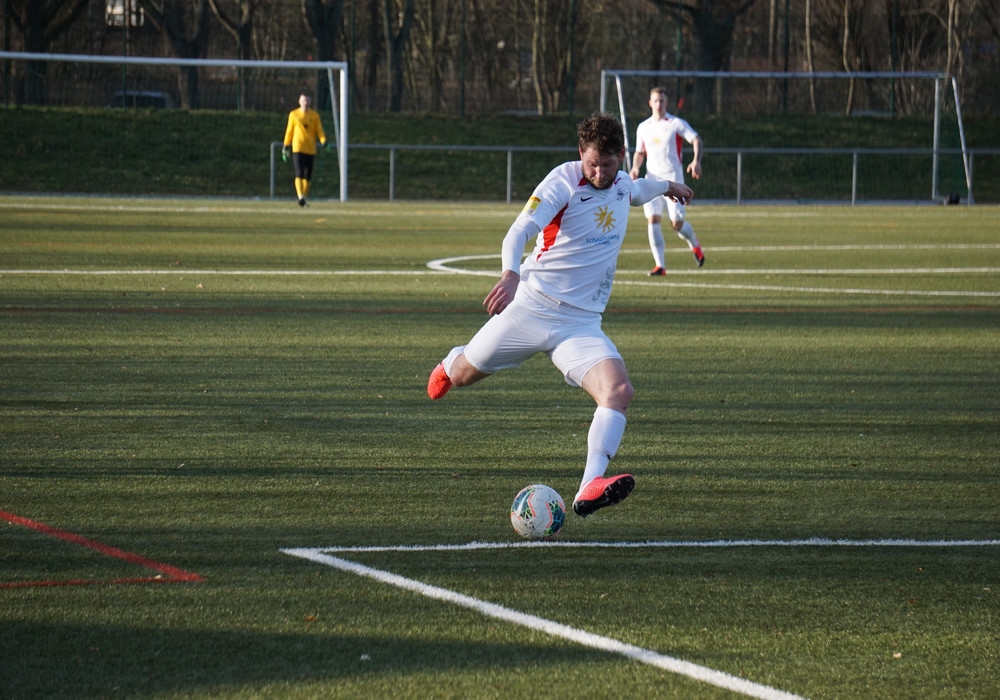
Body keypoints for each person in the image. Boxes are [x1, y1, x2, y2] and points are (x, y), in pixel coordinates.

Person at [426, 113, 693, 518]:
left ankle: (588, 486)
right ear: (579, 155)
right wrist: (511, 274)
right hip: (531, 305)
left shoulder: (622, 183)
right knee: (463, 375)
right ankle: (451, 360)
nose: (600, 173)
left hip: (581, 325)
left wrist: (670, 186)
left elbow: (640, 189)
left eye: (607, 164)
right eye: (592, 164)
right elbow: (518, 230)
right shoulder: (562, 182)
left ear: (621, 156)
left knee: (618, 392)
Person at [629, 86, 705, 274]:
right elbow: (640, 153)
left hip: (674, 180)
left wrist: (696, 161)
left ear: (666, 103)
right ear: (650, 103)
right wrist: (636, 167)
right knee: (653, 220)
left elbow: (696, 139)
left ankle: (694, 244)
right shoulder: (643, 127)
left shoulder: (675, 123)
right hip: (652, 181)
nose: (659, 104)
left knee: (676, 224)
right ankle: (660, 265)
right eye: (656, 100)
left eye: (662, 101)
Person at [282, 94, 329, 206]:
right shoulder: (294, 114)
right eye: (304, 100)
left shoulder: (314, 115)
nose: (305, 102)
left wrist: (324, 141)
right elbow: (289, 131)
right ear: (299, 101)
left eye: (307, 100)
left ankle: (303, 197)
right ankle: (300, 196)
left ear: (310, 102)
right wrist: (285, 146)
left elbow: (319, 130)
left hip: (310, 149)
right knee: (299, 172)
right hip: (298, 148)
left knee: (308, 176)